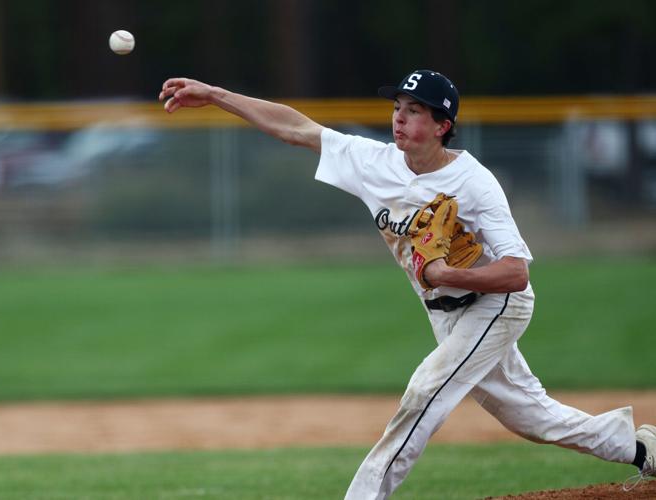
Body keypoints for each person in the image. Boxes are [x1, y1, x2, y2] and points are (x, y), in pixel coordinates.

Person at [158, 70, 655, 499]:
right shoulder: (373, 163)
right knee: (532, 418)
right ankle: (642, 448)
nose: (400, 117)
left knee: (425, 391)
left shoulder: (475, 183)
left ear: (442, 126)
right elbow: (297, 129)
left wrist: (447, 273)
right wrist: (217, 95)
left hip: (496, 305)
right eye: (398, 106)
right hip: (447, 313)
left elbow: (517, 272)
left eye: (416, 110)